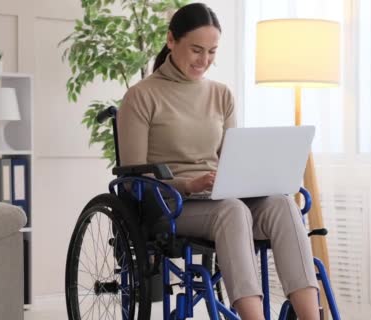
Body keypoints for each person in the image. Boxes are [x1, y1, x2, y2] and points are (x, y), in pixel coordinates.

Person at [117, 3, 320, 320]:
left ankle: (311, 317)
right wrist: (187, 184)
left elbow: (233, 158)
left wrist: (260, 176)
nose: (204, 61)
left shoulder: (222, 94)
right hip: (170, 203)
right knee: (232, 210)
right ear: (171, 40)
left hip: (220, 195)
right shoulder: (142, 96)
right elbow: (133, 180)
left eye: (212, 52)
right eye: (196, 50)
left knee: (283, 205)